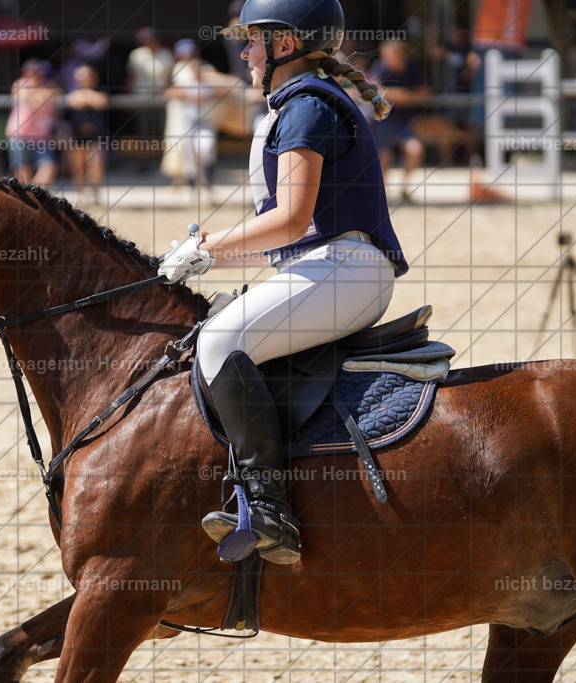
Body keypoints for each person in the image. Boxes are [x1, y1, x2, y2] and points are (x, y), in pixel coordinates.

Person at [157, 0, 408, 565]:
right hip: (327, 266)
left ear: (285, 45)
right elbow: (290, 238)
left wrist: (204, 248)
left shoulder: (306, 109)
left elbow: (292, 219)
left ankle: (268, 507)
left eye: (252, 41)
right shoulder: (295, 103)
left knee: (219, 341)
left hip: (347, 271)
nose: (243, 52)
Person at [368, 40, 430, 199]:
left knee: (415, 150)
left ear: (401, 55)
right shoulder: (380, 67)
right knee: (384, 156)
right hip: (383, 121)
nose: (386, 58)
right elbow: (372, 91)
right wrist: (397, 94)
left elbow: (425, 92)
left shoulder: (411, 68)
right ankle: (382, 194)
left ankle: (404, 187)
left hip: (404, 121)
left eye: (390, 55)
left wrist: (407, 96)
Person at [161, 40, 222, 191]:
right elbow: (171, 92)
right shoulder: (179, 68)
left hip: (206, 119)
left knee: (206, 150)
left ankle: (207, 182)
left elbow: (220, 88)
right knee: (185, 151)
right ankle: (190, 183)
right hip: (185, 117)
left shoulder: (207, 68)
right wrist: (188, 94)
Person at [5, 60, 59, 189]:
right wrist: (42, 95)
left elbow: (52, 96)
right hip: (19, 134)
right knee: (22, 169)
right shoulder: (20, 84)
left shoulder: (48, 86)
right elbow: (21, 94)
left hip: (41, 136)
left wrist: (42, 95)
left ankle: (35, 192)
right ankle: (27, 198)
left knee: (49, 166)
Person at [63, 64, 108, 204]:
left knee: (96, 163)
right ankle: (80, 194)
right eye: (80, 77)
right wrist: (86, 98)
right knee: (78, 165)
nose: (83, 79)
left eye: (86, 76)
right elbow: (73, 102)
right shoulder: (70, 91)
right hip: (76, 133)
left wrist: (86, 97)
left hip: (96, 133)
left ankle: (95, 193)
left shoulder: (101, 89)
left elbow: (101, 102)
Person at [126, 27, 174, 145]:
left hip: (162, 99)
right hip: (142, 98)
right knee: (144, 130)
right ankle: (145, 158)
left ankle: (161, 159)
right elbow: (130, 77)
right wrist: (128, 98)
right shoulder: (136, 54)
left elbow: (171, 78)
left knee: (162, 129)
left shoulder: (166, 54)